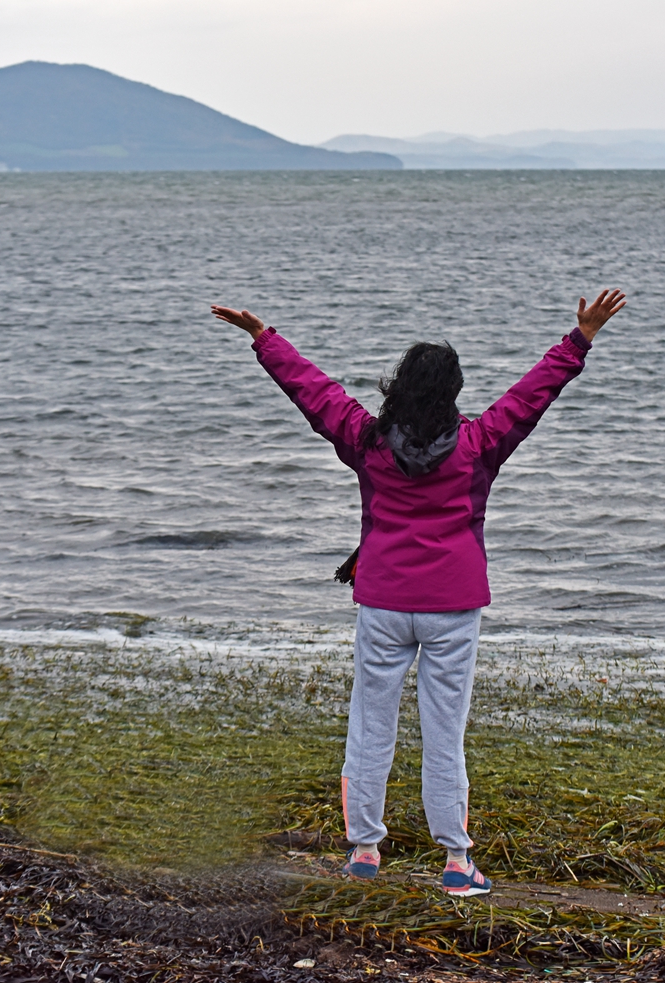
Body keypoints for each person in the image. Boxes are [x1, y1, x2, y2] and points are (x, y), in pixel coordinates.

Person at [211, 290, 627, 897]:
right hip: (452, 605)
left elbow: (314, 393)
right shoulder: (479, 444)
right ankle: (457, 863)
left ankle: (364, 851)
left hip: (382, 600)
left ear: (397, 388)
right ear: (453, 392)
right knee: (444, 731)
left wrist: (265, 338)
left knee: (370, 724)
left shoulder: (366, 440)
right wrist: (580, 338)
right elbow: (531, 396)